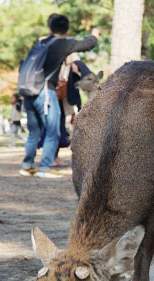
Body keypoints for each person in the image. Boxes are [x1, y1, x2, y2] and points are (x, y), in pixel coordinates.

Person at [19, 13, 98, 178]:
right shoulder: (63, 44)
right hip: (44, 91)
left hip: (28, 92)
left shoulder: (40, 42)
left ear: (49, 28)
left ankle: (27, 165)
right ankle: (45, 167)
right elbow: (89, 44)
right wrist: (95, 35)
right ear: (67, 30)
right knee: (53, 130)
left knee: (34, 131)